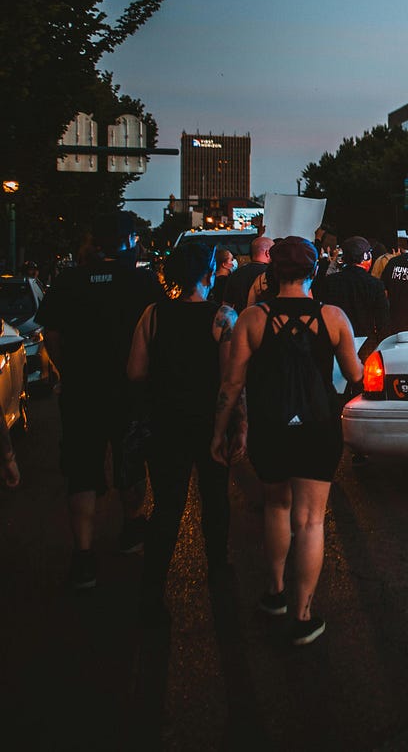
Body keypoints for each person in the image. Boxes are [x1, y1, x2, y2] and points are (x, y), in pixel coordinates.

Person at [211, 237, 364, 646]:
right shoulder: (332, 317)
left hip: (271, 426)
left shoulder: (252, 318)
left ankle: (275, 592)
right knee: (311, 520)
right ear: (314, 271)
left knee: (276, 506)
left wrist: (220, 431)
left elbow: (232, 383)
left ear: (270, 273)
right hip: (318, 428)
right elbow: (354, 375)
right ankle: (302, 616)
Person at [35, 211, 165, 589]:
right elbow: (155, 336)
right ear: (128, 243)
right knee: (131, 463)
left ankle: (83, 557)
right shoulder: (141, 281)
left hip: (80, 394)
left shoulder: (68, 280)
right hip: (129, 391)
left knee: (81, 472)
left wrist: (68, 370)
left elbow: (51, 335)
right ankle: (130, 530)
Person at [127, 244, 236, 626]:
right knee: (215, 501)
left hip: (165, 424)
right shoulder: (222, 317)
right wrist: (231, 427)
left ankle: (152, 594)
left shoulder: (153, 315)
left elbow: (135, 372)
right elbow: (230, 381)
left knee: (167, 507)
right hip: (209, 424)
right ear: (209, 273)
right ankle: (219, 575)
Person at [313, 236, 390, 355]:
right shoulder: (375, 284)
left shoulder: (330, 282)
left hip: (336, 342)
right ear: (366, 257)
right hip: (366, 344)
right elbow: (382, 321)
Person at [222, 235, 272, 309]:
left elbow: (226, 305)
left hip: (240, 318)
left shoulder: (236, 273)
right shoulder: (270, 274)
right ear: (267, 253)